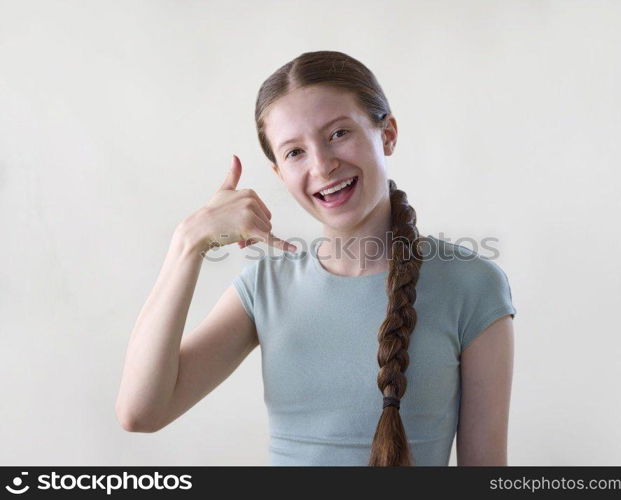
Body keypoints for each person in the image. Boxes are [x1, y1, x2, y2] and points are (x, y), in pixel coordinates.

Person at [115, 50, 517, 467]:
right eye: (294, 152)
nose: (323, 165)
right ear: (278, 175)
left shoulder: (472, 284)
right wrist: (187, 243)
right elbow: (141, 412)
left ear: (388, 134)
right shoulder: (265, 286)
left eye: (338, 133)